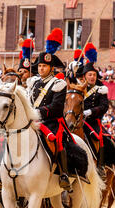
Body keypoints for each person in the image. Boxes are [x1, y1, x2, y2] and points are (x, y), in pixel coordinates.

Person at [28, 28, 79, 191]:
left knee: (57, 140)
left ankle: (63, 173)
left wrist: (37, 113)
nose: (41, 68)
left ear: (51, 68)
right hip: (31, 120)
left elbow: (56, 108)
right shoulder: (33, 82)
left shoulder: (59, 83)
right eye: (40, 65)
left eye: (45, 66)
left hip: (50, 122)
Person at [81, 43, 115, 174]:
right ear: (84, 77)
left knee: (105, 140)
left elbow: (104, 106)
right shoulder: (78, 89)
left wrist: (90, 112)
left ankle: (101, 165)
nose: (92, 77)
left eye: (94, 74)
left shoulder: (101, 90)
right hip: (78, 121)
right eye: (89, 75)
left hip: (93, 122)